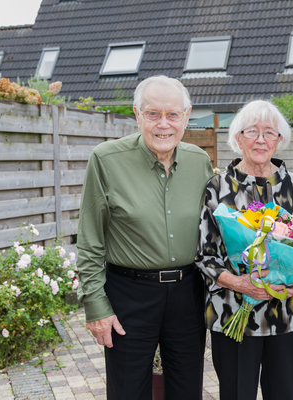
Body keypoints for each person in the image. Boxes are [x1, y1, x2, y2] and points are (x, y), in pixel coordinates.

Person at [76, 75, 213, 400]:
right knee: (127, 391)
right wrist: (96, 305)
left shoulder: (200, 162)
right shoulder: (106, 160)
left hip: (188, 293)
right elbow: (90, 239)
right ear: (137, 115)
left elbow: (214, 230)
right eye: (152, 114)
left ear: (186, 115)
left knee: (187, 388)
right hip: (128, 296)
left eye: (172, 114)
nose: (163, 124)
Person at [196, 99, 293, 400]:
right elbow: (205, 255)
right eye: (252, 132)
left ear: (280, 140)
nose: (261, 140)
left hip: (285, 314)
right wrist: (239, 283)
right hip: (233, 315)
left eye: (270, 133)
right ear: (237, 138)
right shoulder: (217, 187)